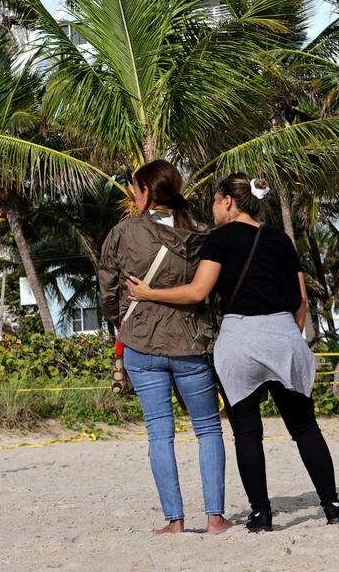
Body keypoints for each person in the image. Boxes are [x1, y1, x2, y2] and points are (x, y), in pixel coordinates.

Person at [128, 173, 339, 532]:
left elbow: (197, 292)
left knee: (247, 433)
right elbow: (300, 301)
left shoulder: (218, 240)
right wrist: (285, 338)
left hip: (240, 340)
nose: (214, 209)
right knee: (304, 426)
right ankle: (333, 504)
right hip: (283, 334)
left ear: (229, 202)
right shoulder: (280, 238)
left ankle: (260, 515)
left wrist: (148, 293)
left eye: (216, 202)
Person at [98, 160, 231, 535]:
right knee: (207, 430)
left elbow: (107, 286)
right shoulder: (202, 235)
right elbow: (212, 292)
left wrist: (118, 317)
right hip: (191, 341)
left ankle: (175, 521)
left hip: (142, 342)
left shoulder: (123, 233)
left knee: (160, 432)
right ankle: (216, 517)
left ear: (144, 193)